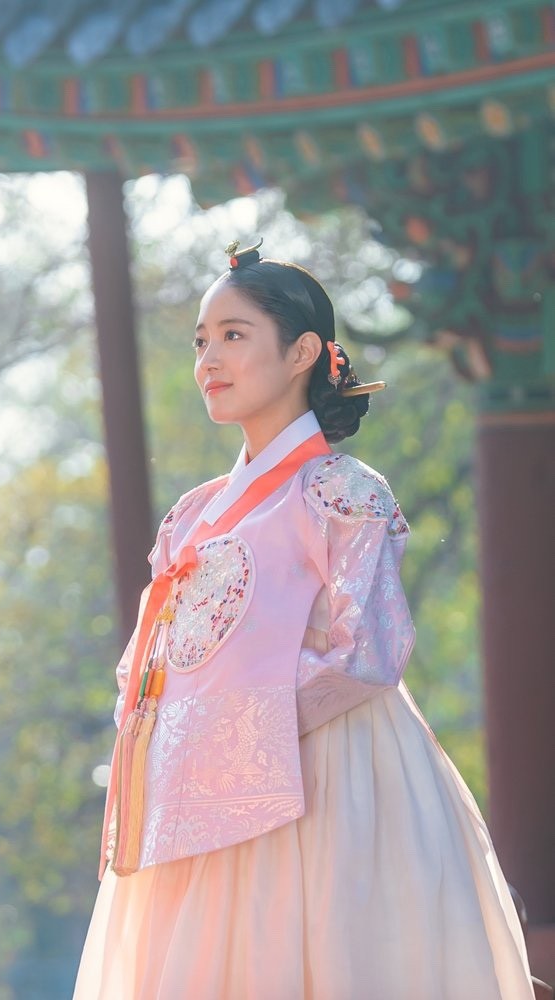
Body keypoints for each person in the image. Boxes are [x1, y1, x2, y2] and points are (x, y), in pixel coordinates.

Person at [73, 241, 535, 999]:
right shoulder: (192, 513)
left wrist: (237, 734)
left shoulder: (341, 490)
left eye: (233, 335)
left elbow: (367, 650)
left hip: (322, 769)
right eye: (200, 341)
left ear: (302, 352)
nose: (208, 360)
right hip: (195, 790)